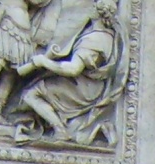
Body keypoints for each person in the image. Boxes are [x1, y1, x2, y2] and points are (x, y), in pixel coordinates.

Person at [14, 0, 124, 147]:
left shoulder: (92, 40)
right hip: (95, 87)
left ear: (96, 11)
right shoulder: (109, 36)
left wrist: (43, 62)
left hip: (83, 89)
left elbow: (73, 69)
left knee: (31, 94)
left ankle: (60, 131)